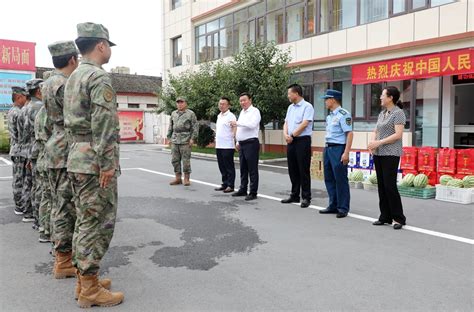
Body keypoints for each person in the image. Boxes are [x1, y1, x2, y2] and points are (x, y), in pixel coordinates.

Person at [64, 22, 123, 308]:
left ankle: (82, 280)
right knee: (98, 223)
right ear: (101, 45)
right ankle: (89, 288)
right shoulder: (98, 78)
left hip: (77, 156)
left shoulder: (74, 76)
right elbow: (103, 123)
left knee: (83, 219)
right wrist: (107, 163)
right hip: (94, 162)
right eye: (108, 46)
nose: (109, 51)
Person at [43, 41, 81, 278]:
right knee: (67, 208)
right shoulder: (65, 85)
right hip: (66, 147)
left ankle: (61, 258)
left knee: (60, 205)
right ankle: (64, 261)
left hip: (54, 146)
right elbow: (76, 118)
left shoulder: (47, 83)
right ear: (72, 60)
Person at [368, 86, 406, 230]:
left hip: (391, 153)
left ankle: (398, 218)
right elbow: (376, 130)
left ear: (390, 98)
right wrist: (372, 143)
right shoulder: (382, 113)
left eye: (383, 95)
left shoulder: (398, 113)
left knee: (390, 186)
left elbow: (398, 135)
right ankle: (385, 216)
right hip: (379, 153)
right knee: (382, 186)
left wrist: (379, 142)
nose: (380, 97)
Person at [319, 89, 353, 219]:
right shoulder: (330, 116)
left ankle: (343, 208)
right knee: (329, 177)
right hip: (328, 148)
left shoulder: (344, 114)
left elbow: (349, 134)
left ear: (333, 99)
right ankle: (333, 205)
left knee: (340, 179)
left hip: (339, 149)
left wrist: (346, 153)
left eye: (326, 99)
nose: (325, 102)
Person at [281, 84, 314, 208]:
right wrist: (285, 134)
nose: (288, 96)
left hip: (302, 141)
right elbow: (286, 123)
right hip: (291, 141)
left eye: (289, 93)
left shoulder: (307, 106)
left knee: (303, 169)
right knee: (292, 169)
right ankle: (294, 195)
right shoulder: (290, 107)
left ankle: (306, 197)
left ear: (296, 93)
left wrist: (293, 136)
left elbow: (305, 123)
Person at [230, 92, 261, 201]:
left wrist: (237, 123)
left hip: (251, 143)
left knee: (252, 169)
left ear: (250, 100)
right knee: (243, 168)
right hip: (242, 144)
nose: (242, 102)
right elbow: (241, 129)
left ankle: (253, 192)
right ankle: (243, 189)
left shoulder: (255, 111)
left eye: (244, 100)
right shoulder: (242, 112)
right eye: (241, 101)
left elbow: (252, 125)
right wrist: (238, 142)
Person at [22, 79, 44, 224]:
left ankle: (35, 218)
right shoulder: (39, 107)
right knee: (41, 187)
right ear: (38, 91)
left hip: (30, 148)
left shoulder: (26, 107)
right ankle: (40, 221)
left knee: (34, 185)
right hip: (39, 148)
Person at [34, 86, 53, 243]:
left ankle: (44, 230)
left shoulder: (40, 112)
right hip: (51, 159)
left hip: (42, 158)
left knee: (46, 197)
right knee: (54, 200)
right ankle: (52, 234)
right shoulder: (49, 112)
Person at [167, 97, 198, 186]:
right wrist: (169, 137)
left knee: (186, 160)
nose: (179, 104)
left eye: (181, 102)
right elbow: (171, 126)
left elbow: (195, 127)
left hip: (186, 139)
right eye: (178, 103)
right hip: (175, 139)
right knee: (175, 160)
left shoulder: (190, 114)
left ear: (186, 103)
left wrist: (192, 138)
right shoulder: (173, 113)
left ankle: (187, 178)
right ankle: (178, 178)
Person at [7, 86, 27, 215]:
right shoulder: (18, 113)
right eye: (25, 97)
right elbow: (22, 135)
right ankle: (20, 205)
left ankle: (19, 204)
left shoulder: (12, 111)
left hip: (15, 149)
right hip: (20, 150)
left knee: (17, 178)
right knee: (20, 179)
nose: (26, 99)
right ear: (19, 97)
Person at [214, 97, 236, 193]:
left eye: (223, 104)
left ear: (228, 105)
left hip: (227, 145)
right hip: (219, 145)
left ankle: (231, 185)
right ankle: (225, 183)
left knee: (229, 166)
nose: (221, 106)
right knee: (221, 166)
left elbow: (235, 128)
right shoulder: (219, 116)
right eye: (220, 104)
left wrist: (234, 139)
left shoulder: (231, 116)